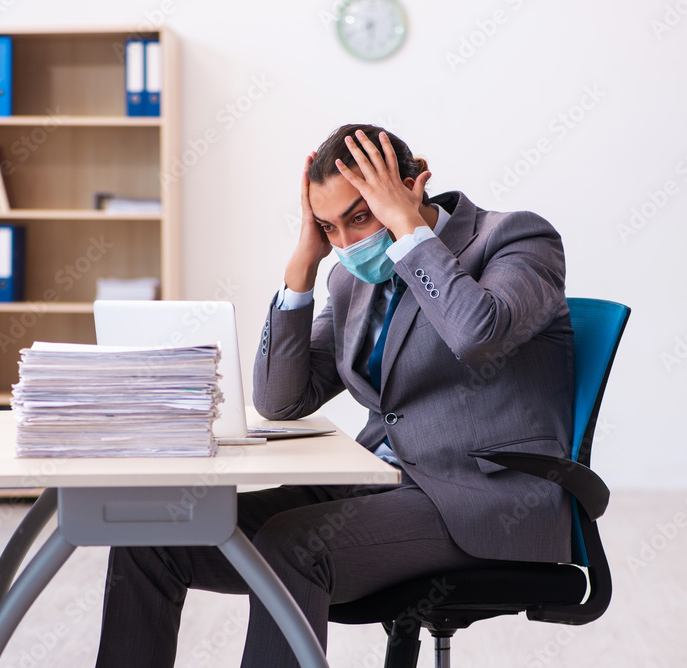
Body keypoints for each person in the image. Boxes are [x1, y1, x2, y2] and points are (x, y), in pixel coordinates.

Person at [96, 124, 574, 668]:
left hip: (482, 499)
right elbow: (282, 399)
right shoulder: (350, 280)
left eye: (361, 216)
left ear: (414, 183)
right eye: (330, 226)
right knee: (149, 537)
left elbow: (478, 335)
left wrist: (408, 230)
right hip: (379, 482)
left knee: (293, 545)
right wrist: (302, 267)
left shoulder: (516, 239)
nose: (346, 244)